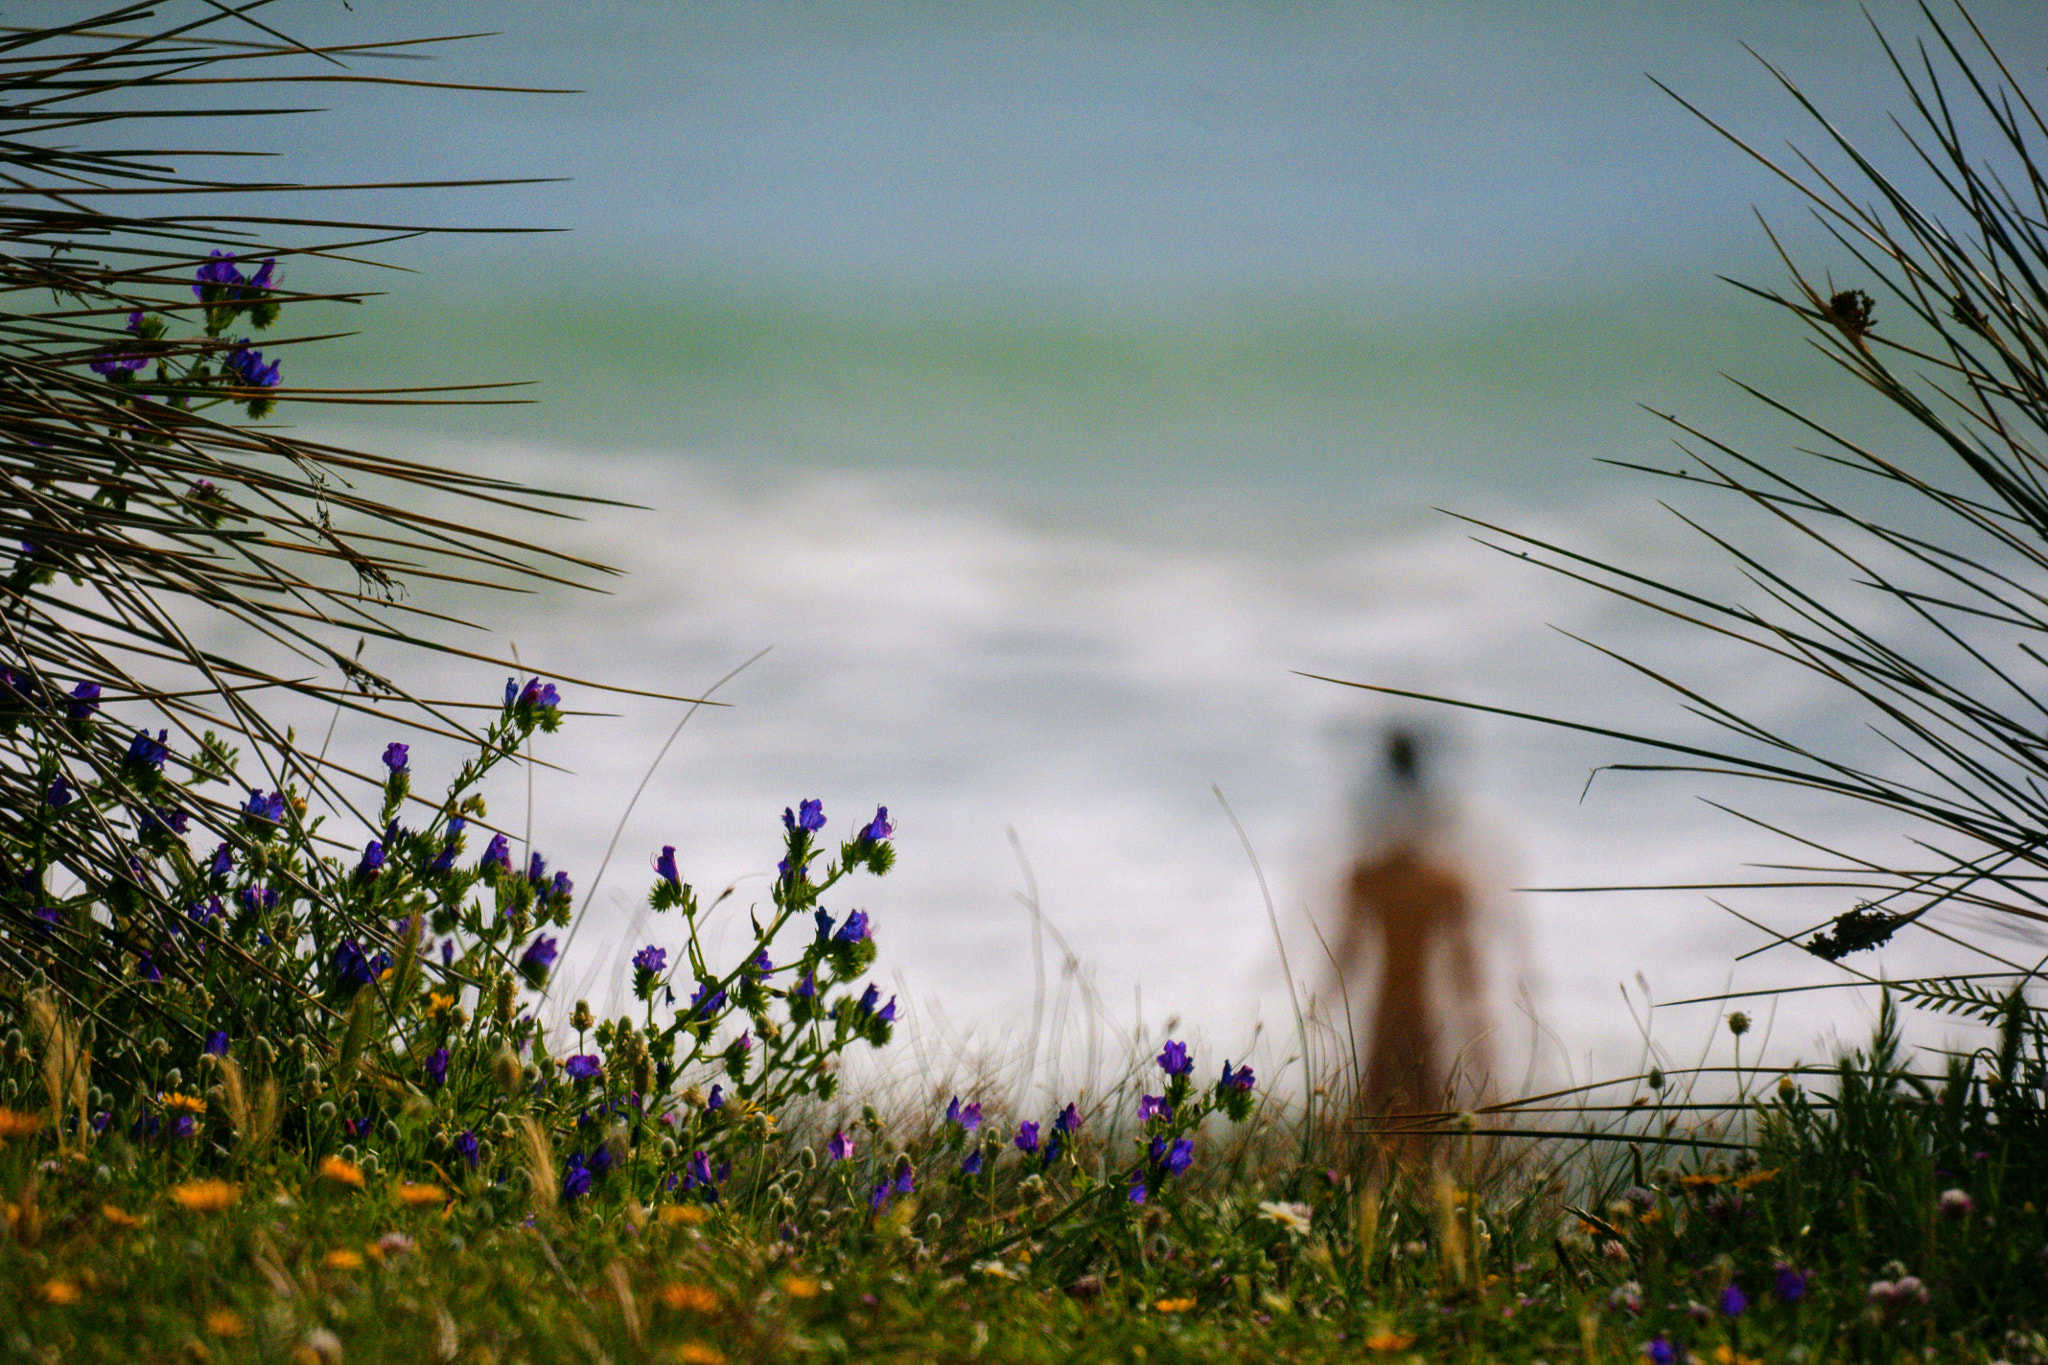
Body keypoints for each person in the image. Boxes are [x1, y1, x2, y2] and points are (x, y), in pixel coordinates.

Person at [1325, 728, 1491, 1155]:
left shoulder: (1373, 872)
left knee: (1384, 1107)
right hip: (1417, 1003)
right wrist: (1479, 1031)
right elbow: (1463, 962)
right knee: (1421, 1107)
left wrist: (1317, 1009)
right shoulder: (1439, 877)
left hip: (1392, 1000)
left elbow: (1347, 952)